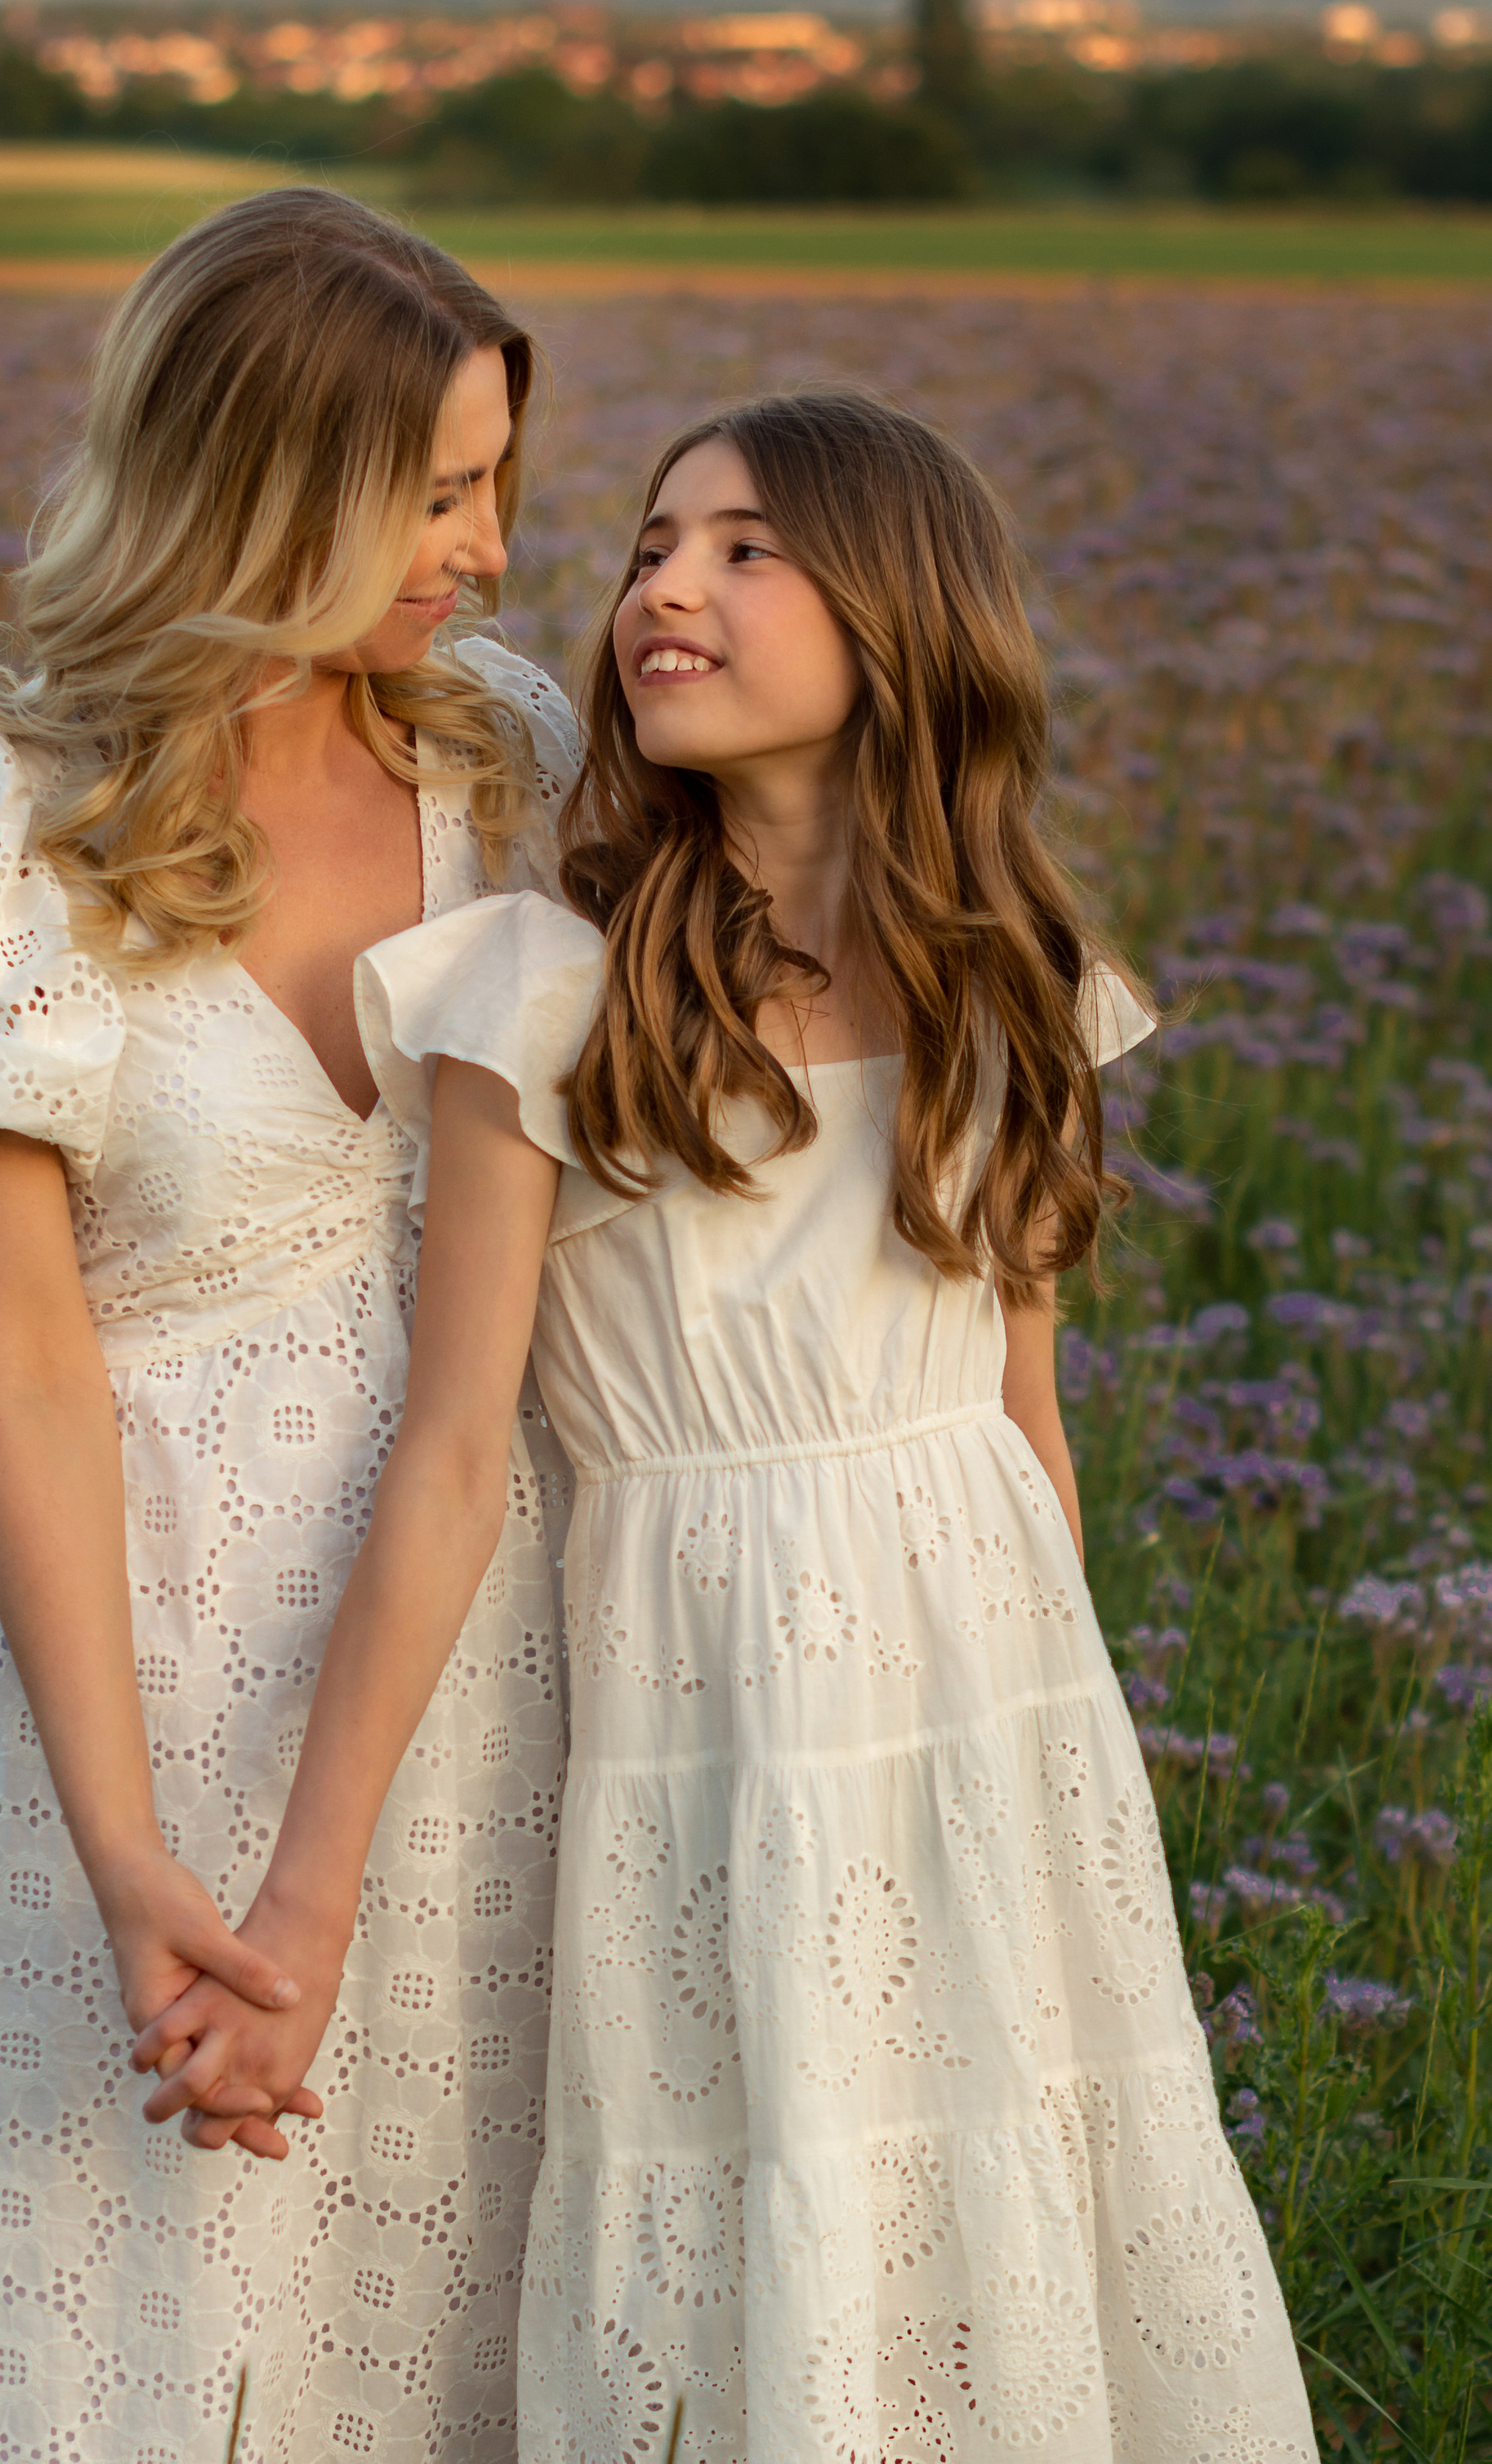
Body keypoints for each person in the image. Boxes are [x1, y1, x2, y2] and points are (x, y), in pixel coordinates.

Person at [139, 388, 1319, 2458]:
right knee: (756, 2212)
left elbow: (1025, 1427)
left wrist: (1061, 1774)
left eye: (747, 547)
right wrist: (302, 1900)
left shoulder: (1015, 981)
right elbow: (452, 1456)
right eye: (653, 546)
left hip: (986, 1726)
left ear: (906, 614)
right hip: (715, 1730)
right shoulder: (551, 994)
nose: (665, 584)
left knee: (1013, 2199)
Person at [0, 189, 579, 2464]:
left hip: (480, 1632)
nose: (495, 552)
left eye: (497, 479)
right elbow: (23, 1367)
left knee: (456, 2276)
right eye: (435, 493)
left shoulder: (499, 759)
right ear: (264, 481)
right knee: (131, 2310)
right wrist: (127, 1854)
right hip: (123, 1649)